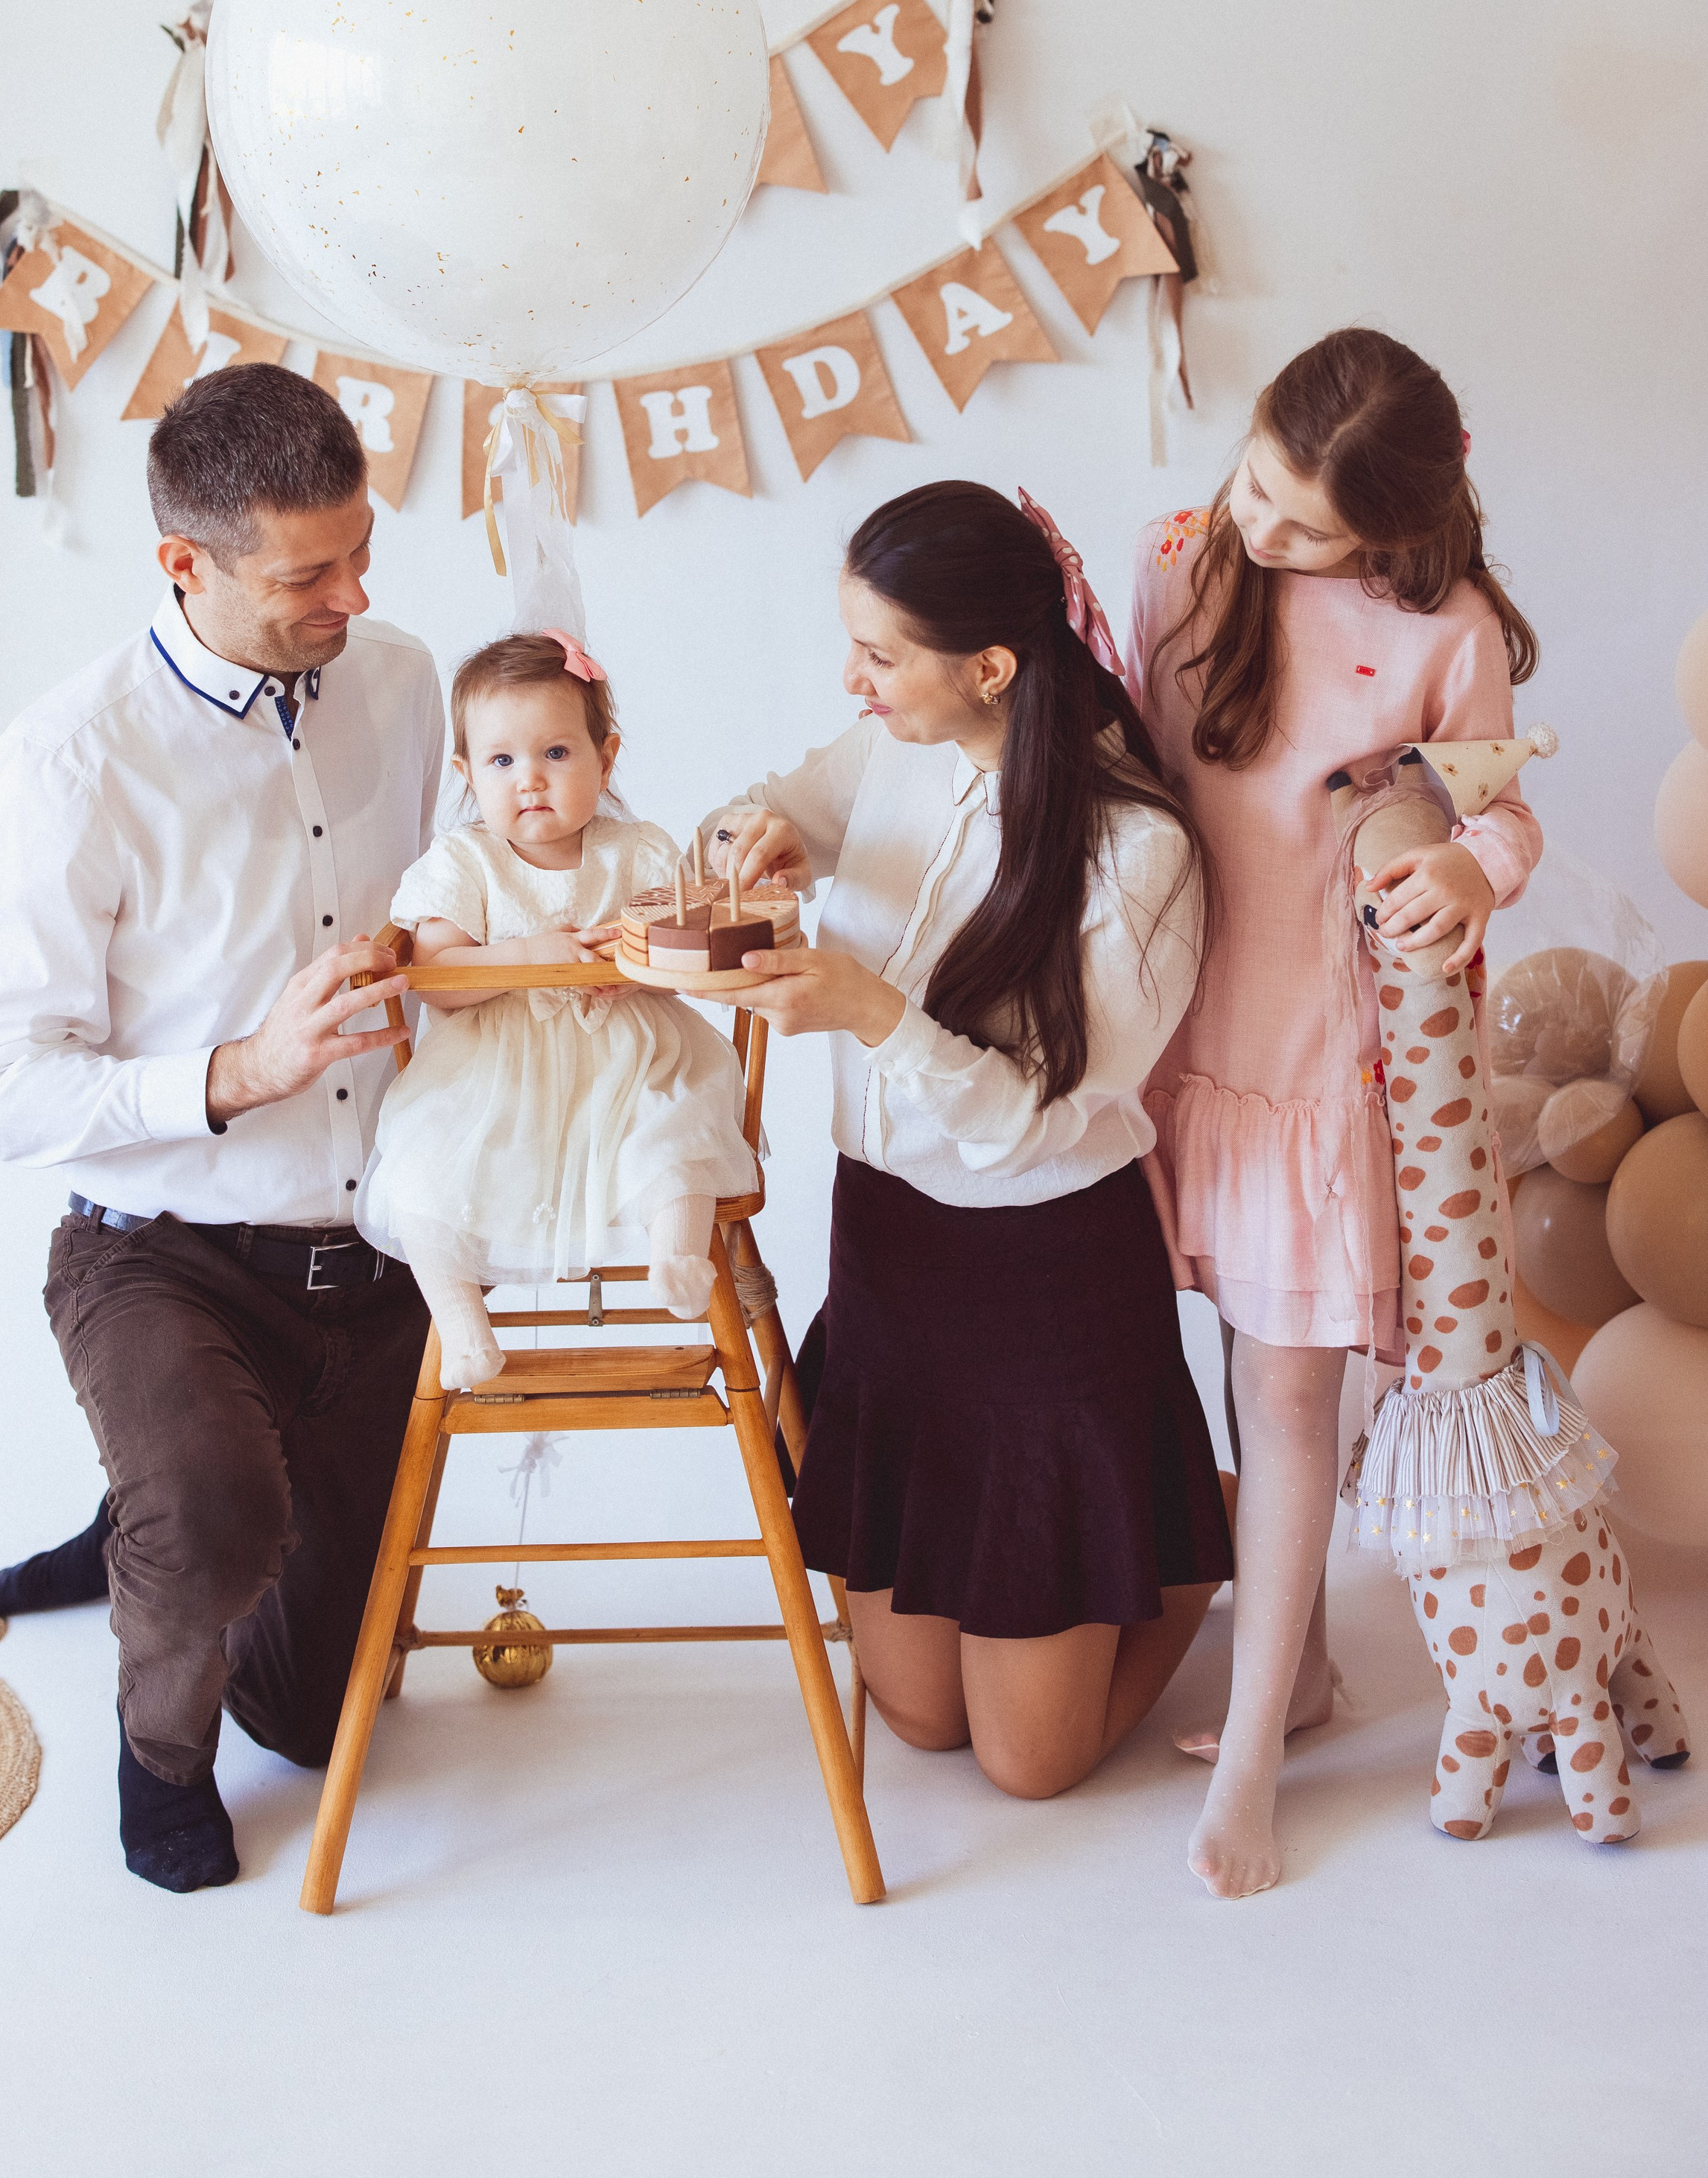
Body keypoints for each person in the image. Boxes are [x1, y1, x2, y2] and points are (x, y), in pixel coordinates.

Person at [0, 363, 444, 1893]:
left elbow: (443, 903)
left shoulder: (406, 678)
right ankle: (155, 1732)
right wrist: (234, 1068)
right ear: (185, 563)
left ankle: (148, 1509)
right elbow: (3, 1085)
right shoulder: (70, 755)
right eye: (310, 571)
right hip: (158, 1252)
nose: (353, 593)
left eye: (362, 549)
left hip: (373, 1254)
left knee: (312, 1715)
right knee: (220, 1536)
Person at [709, 480, 1233, 1803]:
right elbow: (772, 800)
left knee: (1030, 1762)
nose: (854, 677)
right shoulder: (892, 746)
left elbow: (1025, 1125)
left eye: (881, 653)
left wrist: (870, 1010)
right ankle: (1151, 1523)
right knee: (920, 1717)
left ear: (991, 665)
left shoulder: (1136, 848)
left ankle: (1204, 1511)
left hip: (1045, 1272)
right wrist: (749, 838)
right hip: (891, 1253)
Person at [1126, 326, 1543, 1898]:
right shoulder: (1185, 561)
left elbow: (1499, 811)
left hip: (1314, 1061)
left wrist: (1460, 862)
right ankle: (1291, 1670)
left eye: (1304, 524)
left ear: (1393, 526)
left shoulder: (1450, 629)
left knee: (1288, 1390)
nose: (1261, 530)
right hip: (1170, 1033)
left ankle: (1250, 1755)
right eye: (1254, 483)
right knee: (1211, 1358)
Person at [358, 632, 758, 1384]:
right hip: (497, 1069)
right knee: (427, 1164)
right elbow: (437, 979)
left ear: (605, 761)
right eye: (502, 761)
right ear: (467, 774)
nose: (530, 780)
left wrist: (635, 969)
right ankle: (460, 1318)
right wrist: (521, 955)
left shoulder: (636, 850)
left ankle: (676, 1255)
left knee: (672, 1124)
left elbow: (680, 957)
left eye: (556, 754)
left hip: (627, 1052)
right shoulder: (462, 862)